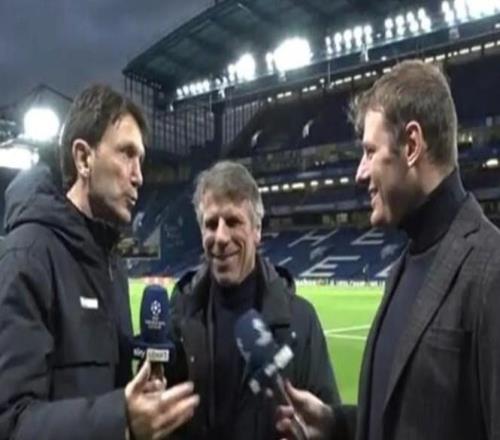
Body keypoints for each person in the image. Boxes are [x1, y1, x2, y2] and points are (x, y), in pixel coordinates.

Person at [276, 59, 500, 440]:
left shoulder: (490, 269)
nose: (359, 173)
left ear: (411, 145)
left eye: (369, 151)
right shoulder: (404, 265)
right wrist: (336, 424)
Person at [0, 84, 199, 440]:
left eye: (141, 160)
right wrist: (120, 418)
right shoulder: (27, 255)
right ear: (83, 158)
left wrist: (136, 397)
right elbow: (11, 422)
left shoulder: (111, 262)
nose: (139, 176)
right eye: (127, 154)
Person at [168, 160, 340, 439]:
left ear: (257, 229)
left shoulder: (301, 320)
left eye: (233, 221)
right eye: (211, 224)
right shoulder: (179, 315)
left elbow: (327, 423)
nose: (220, 237)